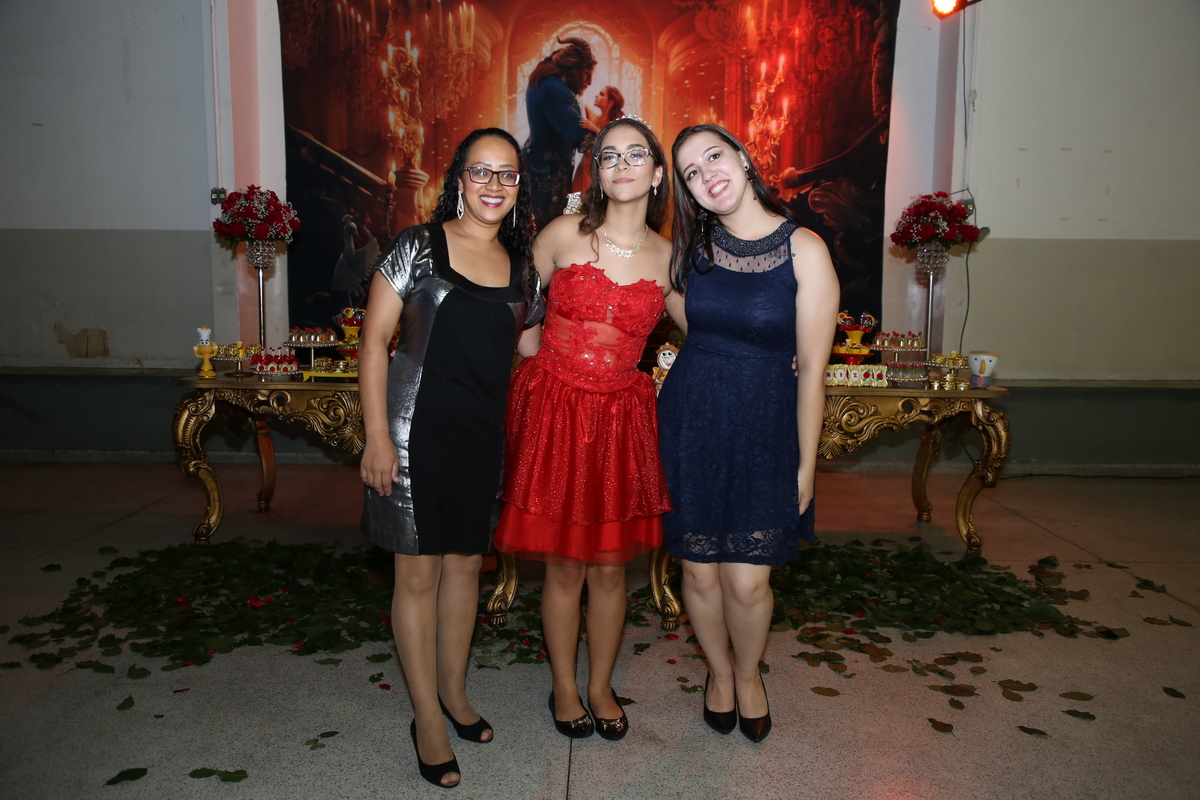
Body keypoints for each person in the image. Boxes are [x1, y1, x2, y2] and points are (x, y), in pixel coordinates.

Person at [359, 128, 543, 788]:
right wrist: (377, 437)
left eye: (507, 174)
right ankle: (427, 719)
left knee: (466, 568)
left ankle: (454, 693)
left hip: (481, 440)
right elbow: (374, 341)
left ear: (519, 187)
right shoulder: (417, 245)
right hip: (413, 433)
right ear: (459, 179)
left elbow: (533, 354)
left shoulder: (523, 269)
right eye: (481, 171)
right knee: (417, 575)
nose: (494, 184)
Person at [657, 124, 839, 743]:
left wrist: (805, 467)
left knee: (747, 578)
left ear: (741, 158)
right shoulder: (690, 253)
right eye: (690, 172)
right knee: (698, 572)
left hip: (766, 428)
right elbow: (687, 322)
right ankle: (718, 673)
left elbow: (812, 370)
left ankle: (749, 673)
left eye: (714, 156)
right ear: (687, 190)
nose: (706, 174)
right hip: (692, 420)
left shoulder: (805, 249)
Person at [495, 117, 673, 741]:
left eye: (635, 155)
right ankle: (565, 687)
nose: (621, 165)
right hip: (556, 415)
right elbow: (510, 301)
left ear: (657, 174)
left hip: (621, 421)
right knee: (565, 566)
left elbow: (713, 330)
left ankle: (600, 685)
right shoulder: (562, 234)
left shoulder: (671, 259)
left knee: (610, 568)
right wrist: (539, 358)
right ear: (596, 172)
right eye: (608, 156)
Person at [520, 37, 596, 230]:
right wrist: (603, 137)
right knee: (545, 230)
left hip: (542, 169)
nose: (589, 81)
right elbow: (577, 133)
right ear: (574, 69)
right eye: (587, 74)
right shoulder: (554, 90)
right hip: (547, 175)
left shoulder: (547, 83)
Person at [571, 86, 626, 195]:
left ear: (610, 102)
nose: (597, 96)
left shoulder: (616, 124)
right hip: (583, 169)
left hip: (599, 171)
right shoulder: (594, 118)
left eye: (602, 94)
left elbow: (615, 141)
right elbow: (581, 103)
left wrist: (594, 129)